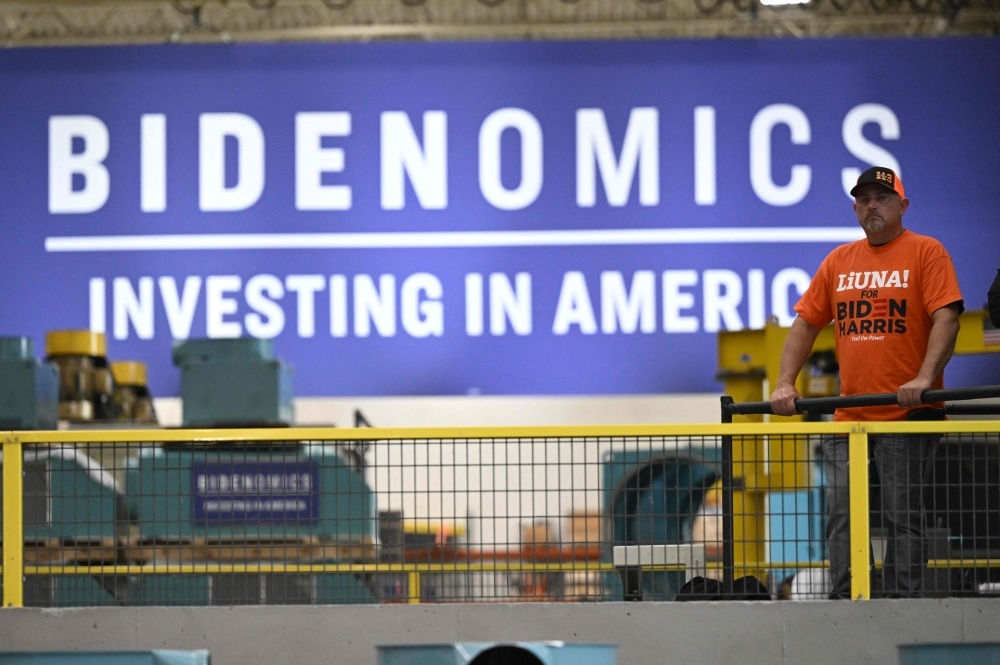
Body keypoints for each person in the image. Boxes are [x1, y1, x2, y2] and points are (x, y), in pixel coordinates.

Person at [769, 166, 963, 599]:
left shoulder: (926, 252)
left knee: (902, 515)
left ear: (902, 205)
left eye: (882, 197)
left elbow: (946, 317)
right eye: (863, 199)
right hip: (850, 415)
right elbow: (805, 323)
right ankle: (848, 601)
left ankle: (900, 605)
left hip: (908, 411)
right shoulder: (839, 260)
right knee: (842, 512)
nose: (871, 205)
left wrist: (924, 378)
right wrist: (785, 382)